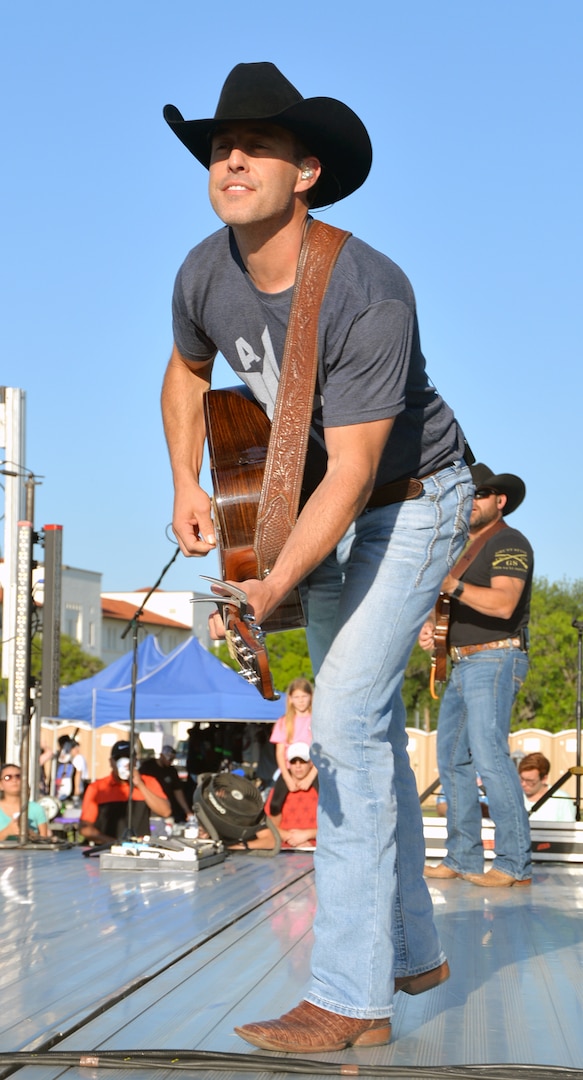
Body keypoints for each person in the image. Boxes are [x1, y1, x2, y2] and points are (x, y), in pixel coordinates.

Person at [161, 62, 473, 1052]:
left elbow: (355, 468)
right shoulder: (204, 271)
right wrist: (185, 483)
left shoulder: (370, 287)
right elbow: (183, 371)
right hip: (316, 508)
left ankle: (349, 998)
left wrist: (269, 584)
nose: (232, 159)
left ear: (309, 173)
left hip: (411, 501)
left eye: (255, 145)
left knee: (338, 722)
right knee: (364, 735)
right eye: (219, 146)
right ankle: (411, 947)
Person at [421, 463, 534, 888]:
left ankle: (514, 863)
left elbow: (504, 604)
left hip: (495, 658)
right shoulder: (462, 549)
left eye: (481, 495)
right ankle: (464, 858)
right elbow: (449, 605)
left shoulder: (509, 541)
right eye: (467, 495)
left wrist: (451, 585)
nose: (472, 502)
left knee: (489, 758)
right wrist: (432, 627)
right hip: (463, 662)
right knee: (451, 761)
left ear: (499, 501)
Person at [79, 740, 171, 845]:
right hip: (106, 850)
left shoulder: (148, 782)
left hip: (139, 849)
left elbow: (165, 812)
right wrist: (114, 843)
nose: (124, 763)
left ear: (136, 760)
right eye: (118, 758)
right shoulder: (98, 787)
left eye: (128, 757)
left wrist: (140, 785)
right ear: (111, 762)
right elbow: (85, 828)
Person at [269, 679, 317, 812]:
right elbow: (279, 753)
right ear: (290, 699)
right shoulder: (283, 722)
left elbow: (324, 751)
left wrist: (310, 777)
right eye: (296, 697)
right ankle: (276, 831)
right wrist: (288, 778)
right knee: (274, 805)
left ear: (311, 697)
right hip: (290, 769)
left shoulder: (317, 720)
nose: (301, 701)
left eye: (304, 696)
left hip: (314, 768)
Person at [139, 744, 193, 823]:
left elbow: (178, 791)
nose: (170, 761)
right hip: (149, 806)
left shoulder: (171, 771)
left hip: (167, 808)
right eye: (169, 758)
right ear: (161, 755)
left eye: (173, 759)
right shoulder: (147, 766)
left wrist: (187, 811)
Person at [518, 752, 576, 823]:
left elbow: (568, 831)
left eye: (530, 781)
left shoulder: (562, 800)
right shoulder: (514, 797)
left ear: (544, 779)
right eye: (521, 779)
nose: (523, 784)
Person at [0, 764, 49, 841]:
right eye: (8, 777)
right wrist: (7, 831)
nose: (14, 780)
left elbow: (45, 840)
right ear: (0, 785)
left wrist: (29, 833)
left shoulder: (36, 808)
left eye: (18, 776)